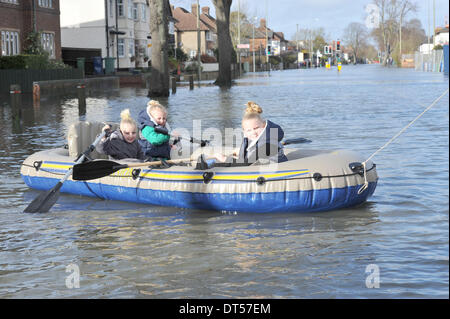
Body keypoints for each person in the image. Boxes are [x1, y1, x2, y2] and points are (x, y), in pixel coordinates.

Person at [197, 101, 288, 169]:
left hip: (266, 168)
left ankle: (209, 166)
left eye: (256, 128)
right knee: (222, 161)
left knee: (223, 162)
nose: (253, 132)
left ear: (263, 125)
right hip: (254, 163)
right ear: (244, 132)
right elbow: (247, 157)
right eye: (249, 130)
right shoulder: (251, 140)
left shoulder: (267, 143)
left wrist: (224, 159)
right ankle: (207, 165)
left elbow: (246, 162)